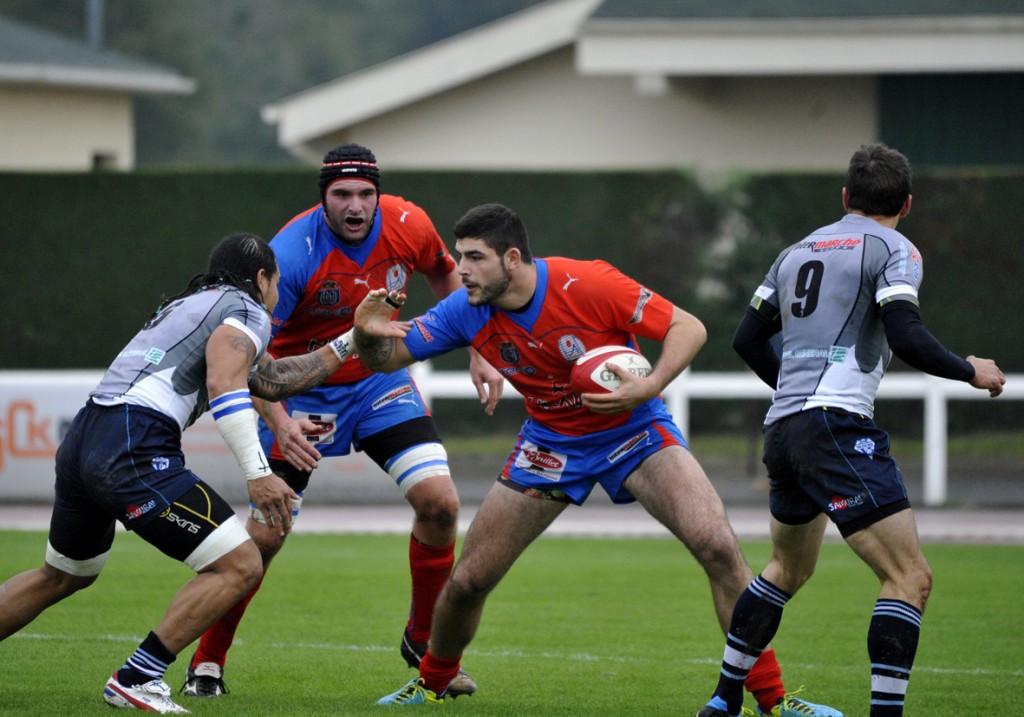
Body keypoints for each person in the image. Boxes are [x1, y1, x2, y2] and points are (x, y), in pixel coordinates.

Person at [356, 203, 840, 716]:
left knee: (718, 547)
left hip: (635, 432)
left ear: (512, 258)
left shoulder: (586, 283)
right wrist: (367, 331)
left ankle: (774, 700)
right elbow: (387, 357)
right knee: (471, 579)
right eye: (460, 257)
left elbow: (688, 327)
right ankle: (434, 681)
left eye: (474, 258)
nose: (462, 271)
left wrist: (649, 386)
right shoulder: (466, 309)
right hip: (550, 445)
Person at [696, 143, 1006, 717]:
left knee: (786, 570)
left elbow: (745, 339)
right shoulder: (895, 248)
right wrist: (971, 370)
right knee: (908, 576)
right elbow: (907, 335)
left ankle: (722, 701)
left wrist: (795, 394)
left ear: (845, 197)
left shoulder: (796, 251)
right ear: (907, 203)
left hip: (784, 430)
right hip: (833, 424)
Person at [183, 144, 502, 699]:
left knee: (441, 503)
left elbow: (449, 278)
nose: (355, 206)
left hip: (379, 383)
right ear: (323, 199)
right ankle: (207, 661)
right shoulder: (294, 251)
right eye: (342, 195)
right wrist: (279, 422)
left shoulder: (409, 224)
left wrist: (478, 346)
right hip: (299, 391)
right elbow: (253, 361)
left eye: (365, 194)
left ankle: (422, 640)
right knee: (264, 538)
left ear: (379, 195)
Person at [0, 232, 359, 714]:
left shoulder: (198, 304)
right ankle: (138, 678)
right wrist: (257, 472)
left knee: (62, 575)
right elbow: (224, 382)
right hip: (134, 441)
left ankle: (138, 677)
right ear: (261, 279)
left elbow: (275, 380)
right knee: (241, 564)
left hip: (88, 434)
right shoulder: (248, 308)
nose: (278, 297)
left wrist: (355, 336)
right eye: (277, 284)